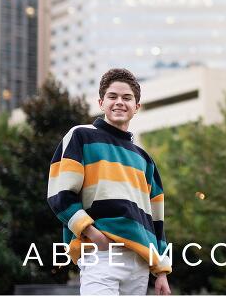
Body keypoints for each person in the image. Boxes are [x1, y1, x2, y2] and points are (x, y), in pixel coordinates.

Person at [47, 68, 172, 295]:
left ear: (137, 107)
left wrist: (161, 270)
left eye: (127, 98)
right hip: (101, 253)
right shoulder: (81, 136)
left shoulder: (145, 160)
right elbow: (60, 195)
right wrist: (93, 234)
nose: (119, 102)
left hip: (140, 264)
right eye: (112, 96)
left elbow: (156, 221)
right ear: (101, 102)